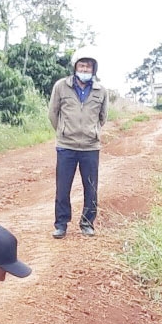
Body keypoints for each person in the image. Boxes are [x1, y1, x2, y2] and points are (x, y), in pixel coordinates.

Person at [48, 47, 109, 239]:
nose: (85, 69)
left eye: (88, 66)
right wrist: (64, 132)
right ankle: (61, 224)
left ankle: (87, 223)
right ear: (75, 67)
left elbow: (103, 117)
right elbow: (53, 113)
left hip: (90, 147)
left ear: (94, 69)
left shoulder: (101, 91)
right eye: (81, 65)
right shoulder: (61, 86)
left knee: (91, 187)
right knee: (63, 187)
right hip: (66, 146)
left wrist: (92, 132)